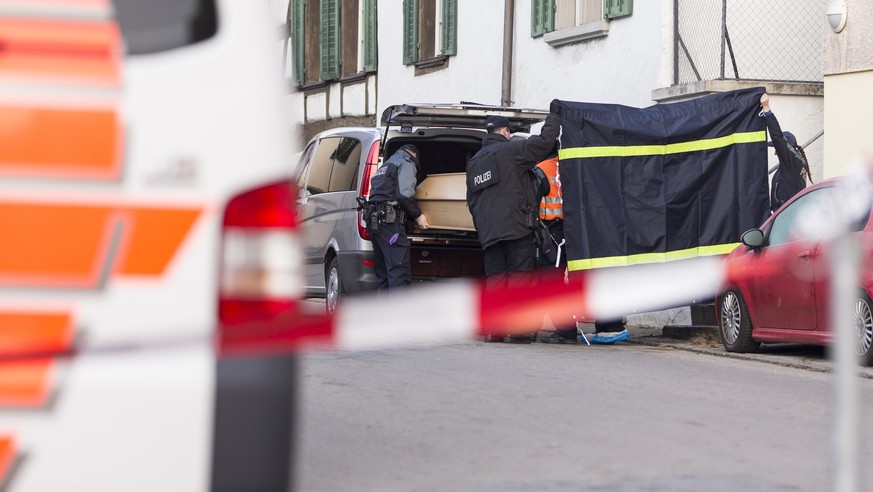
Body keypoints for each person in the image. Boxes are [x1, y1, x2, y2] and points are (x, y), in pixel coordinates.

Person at [466, 105, 561, 343]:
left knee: (496, 280)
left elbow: (472, 200)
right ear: (506, 132)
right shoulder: (512, 150)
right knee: (520, 277)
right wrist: (555, 115)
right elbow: (545, 142)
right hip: (517, 228)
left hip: (489, 233)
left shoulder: (475, 162)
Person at [366, 144, 429, 292]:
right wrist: (418, 216)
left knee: (384, 276)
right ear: (413, 154)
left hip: (375, 222)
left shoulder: (385, 166)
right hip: (389, 223)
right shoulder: (406, 162)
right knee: (398, 271)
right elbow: (404, 195)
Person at [533, 152, 578, 344]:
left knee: (550, 280)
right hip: (574, 230)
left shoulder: (541, 168)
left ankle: (566, 329)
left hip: (552, 232)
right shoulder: (574, 164)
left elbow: (532, 201)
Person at [759, 93, 813, 213]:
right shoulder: (794, 162)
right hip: (787, 214)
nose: (775, 153)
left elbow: (777, 136)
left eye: (777, 150)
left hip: (787, 215)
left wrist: (767, 109)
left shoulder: (792, 161)